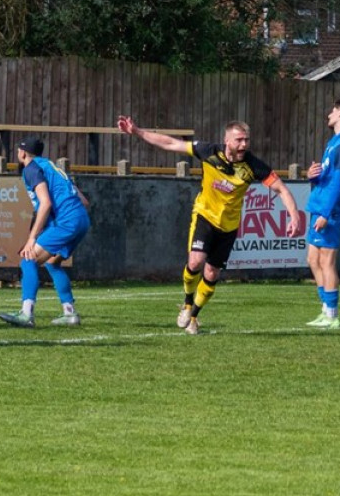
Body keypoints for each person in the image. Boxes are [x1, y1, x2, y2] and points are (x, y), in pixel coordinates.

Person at [117, 116, 301, 335]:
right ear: (226, 140)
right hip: (205, 215)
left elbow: (282, 189)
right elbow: (170, 143)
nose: (244, 145)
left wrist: (295, 216)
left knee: (212, 273)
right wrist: (137, 131)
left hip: (229, 226)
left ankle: (194, 316)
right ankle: (186, 304)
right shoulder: (208, 152)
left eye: (246, 140)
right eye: (239, 140)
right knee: (195, 262)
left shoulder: (254, 166)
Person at [0, 137, 91, 328]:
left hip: (66, 221)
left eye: (18, 150)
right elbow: (84, 202)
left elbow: (46, 203)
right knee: (52, 263)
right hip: (81, 219)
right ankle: (69, 313)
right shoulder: (53, 167)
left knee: (28, 259)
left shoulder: (31, 168)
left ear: (23, 153)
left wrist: (32, 239)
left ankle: (26, 313)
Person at [304, 98, 340, 330]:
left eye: (333, 110)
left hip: (330, 211)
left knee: (327, 262)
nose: (329, 114)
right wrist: (312, 176)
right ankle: (325, 310)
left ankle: (332, 314)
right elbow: (327, 178)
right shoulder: (334, 142)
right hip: (319, 206)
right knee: (312, 260)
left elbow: (338, 183)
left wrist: (326, 213)